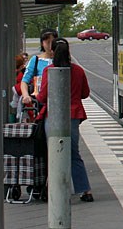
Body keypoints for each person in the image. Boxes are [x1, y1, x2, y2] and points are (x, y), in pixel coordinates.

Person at [36, 38, 93, 202]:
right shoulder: (78, 70)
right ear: (69, 52)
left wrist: (36, 96)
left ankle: (56, 188)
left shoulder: (49, 70)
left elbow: (42, 96)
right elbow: (85, 93)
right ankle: (84, 190)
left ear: (52, 52)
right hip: (73, 116)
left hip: (53, 116)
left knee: (54, 152)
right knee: (73, 153)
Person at [19, 29, 58, 112]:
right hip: (40, 101)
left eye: (53, 42)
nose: (50, 45)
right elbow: (24, 81)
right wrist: (26, 95)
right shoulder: (36, 60)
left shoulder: (61, 60)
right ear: (42, 43)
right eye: (47, 42)